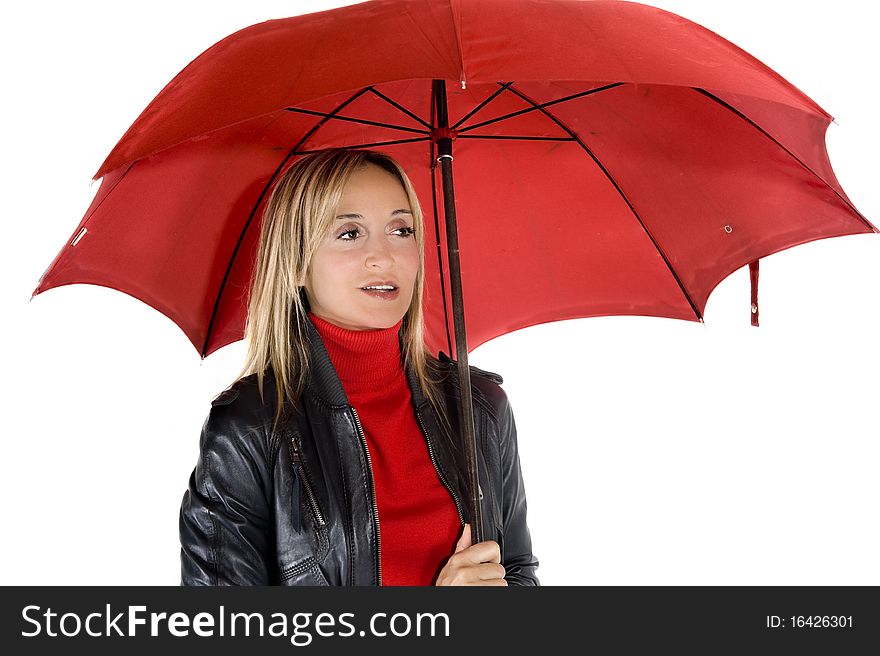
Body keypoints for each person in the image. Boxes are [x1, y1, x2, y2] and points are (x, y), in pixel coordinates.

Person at [179, 148, 539, 586]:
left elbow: (517, 572)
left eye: (401, 229)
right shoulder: (249, 427)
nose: (383, 257)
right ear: (295, 263)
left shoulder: (480, 407)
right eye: (349, 233)